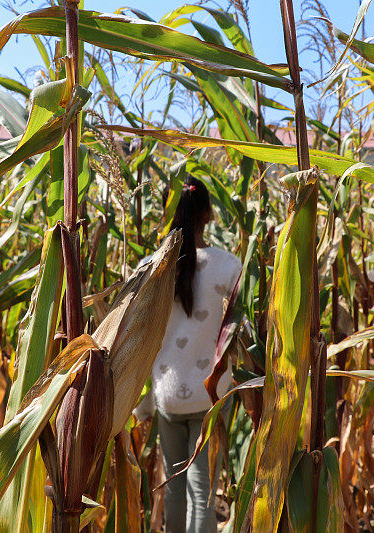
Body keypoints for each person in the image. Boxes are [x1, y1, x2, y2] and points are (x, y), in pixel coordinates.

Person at [134, 175, 242, 533]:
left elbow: (135, 332)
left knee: (175, 489)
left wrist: (141, 403)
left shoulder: (153, 267)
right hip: (209, 394)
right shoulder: (230, 266)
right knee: (203, 493)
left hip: (167, 394)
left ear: (170, 213)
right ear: (209, 214)